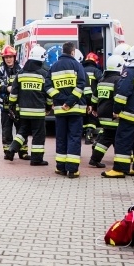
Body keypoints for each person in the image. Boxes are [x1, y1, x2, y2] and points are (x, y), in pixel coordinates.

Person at [102, 44, 134, 179]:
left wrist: (116, 110)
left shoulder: (129, 72)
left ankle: (120, 169)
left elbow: (122, 93)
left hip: (130, 115)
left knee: (123, 141)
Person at [46, 42, 88, 178]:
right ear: (73, 52)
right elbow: (81, 85)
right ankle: (72, 169)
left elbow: (47, 87)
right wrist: (69, 102)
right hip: (75, 109)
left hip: (60, 110)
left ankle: (61, 168)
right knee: (74, 138)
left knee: (61, 138)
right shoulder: (77, 65)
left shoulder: (53, 67)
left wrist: (60, 99)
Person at [4, 45, 49, 166]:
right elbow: (48, 93)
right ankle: (36, 159)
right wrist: (49, 107)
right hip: (38, 112)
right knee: (38, 136)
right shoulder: (43, 74)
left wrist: (12, 106)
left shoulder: (21, 73)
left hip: (23, 111)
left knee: (22, 132)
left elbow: (14, 92)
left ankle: (11, 150)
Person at [88, 55, 125, 168]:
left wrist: (94, 108)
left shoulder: (102, 80)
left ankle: (120, 158)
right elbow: (118, 98)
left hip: (102, 114)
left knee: (110, 136)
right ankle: (95, 159)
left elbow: (94, 97)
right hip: (112, 115)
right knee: (110, 137)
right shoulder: (118, 80)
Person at [0, 45, 26, 159]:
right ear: (3, 59)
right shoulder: (0, 72)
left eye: (10, 57)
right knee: (6, 131)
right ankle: (8, 152)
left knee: (21, 129)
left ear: (14, 57)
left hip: (18, 106)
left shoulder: (21, 69)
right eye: (6, 57)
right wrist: (5, 89)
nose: (8, 59)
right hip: (5, 107)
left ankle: (23, 152)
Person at [82, 52, 104, 145]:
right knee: (92, 117)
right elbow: (102, 82)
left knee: (85, 117)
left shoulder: (81, 70)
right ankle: (89, 136)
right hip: (93, 97)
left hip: (82, 97)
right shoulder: (96, 71)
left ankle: (85, 134)